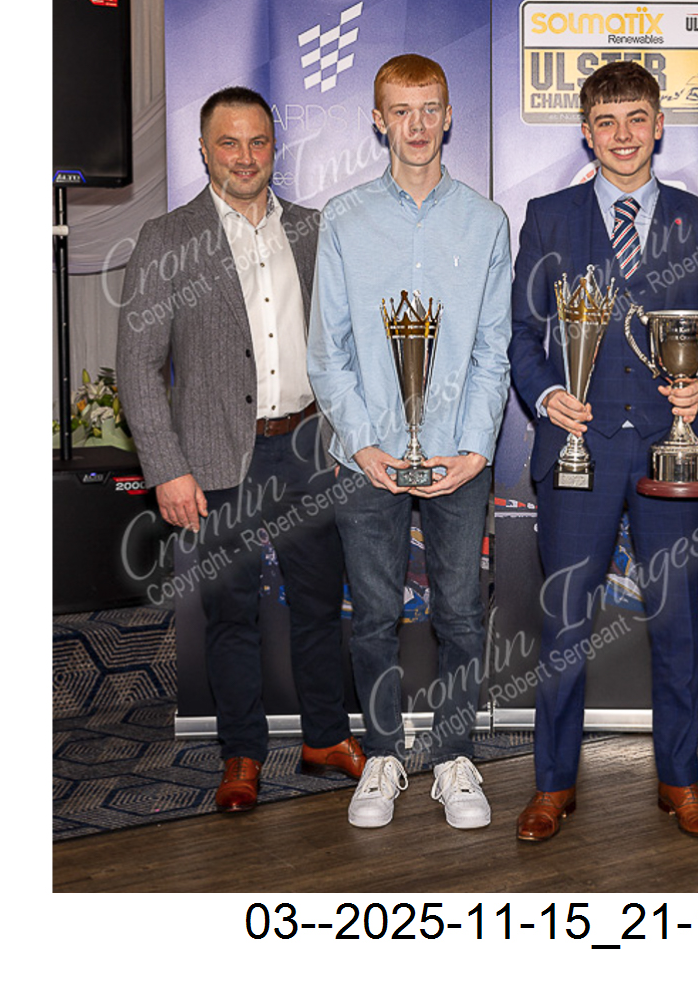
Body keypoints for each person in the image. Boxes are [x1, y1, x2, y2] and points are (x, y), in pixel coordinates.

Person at [117, 86, 363, 813]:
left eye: (258, 142)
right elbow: (137, 367)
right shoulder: (167, 239)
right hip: (215, 458)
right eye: (229, 143)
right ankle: (242, 755)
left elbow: (346, 340)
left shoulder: (316, 229)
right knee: (231, 615)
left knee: (320, 604)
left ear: (274, 147)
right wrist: (168, 469)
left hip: (310, 448)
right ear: (203, 150)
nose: (245, 157)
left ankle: (325, 737)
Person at [508, 61, 698, 841]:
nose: (623, 135)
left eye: (637, 118)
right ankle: (552, 786)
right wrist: (547, 394)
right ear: (586, 132)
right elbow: (522, 335)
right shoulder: (548, 217)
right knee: (565, 629)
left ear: (659, 125)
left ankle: (681, 782)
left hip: (672, 455)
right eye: (606, 122)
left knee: (676, 626)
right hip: (578, 452)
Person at [308, 54, 512, 830]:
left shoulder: (485, 222)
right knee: (371, 616)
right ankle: (384, 755)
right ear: (378, 119)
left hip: (458, 455)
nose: (417, 125)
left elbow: (493, 349)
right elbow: (327, 352)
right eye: (402, 110)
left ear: (449, 116)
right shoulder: (344, 218)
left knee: (460, 614)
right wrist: (364, 444)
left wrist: (476, 448)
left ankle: (454, 756)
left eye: (430, 109)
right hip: (366, 458)